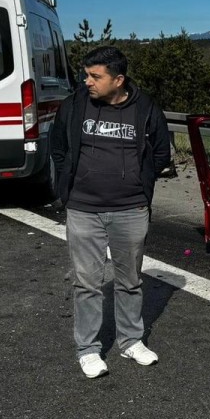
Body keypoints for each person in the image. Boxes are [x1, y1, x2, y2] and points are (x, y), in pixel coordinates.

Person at [51, 46, 172, 379]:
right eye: (86, 75)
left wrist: (138, 182)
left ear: (118, 80)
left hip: (130, 209)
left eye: (95, 76)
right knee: (87, 283)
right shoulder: (74, 105)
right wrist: (70, 187)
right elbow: (58, 148)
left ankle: (131, 340)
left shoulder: (145, 108)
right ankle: (88, 349)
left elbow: (161, 153)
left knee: (130, 281)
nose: (87, 81)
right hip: (84, 209)